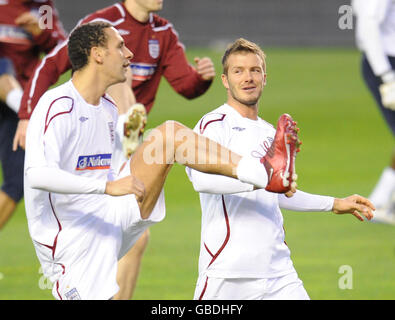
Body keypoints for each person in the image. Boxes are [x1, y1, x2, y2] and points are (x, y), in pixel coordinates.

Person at [23, 22, 307, 300]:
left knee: (169, 135)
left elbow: (105, 168)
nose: (130, 54)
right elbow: (37, 176)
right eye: (120, 47)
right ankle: (264, 173)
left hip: (107, 215)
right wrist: (107, 187)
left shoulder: (107, 108)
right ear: (98, 54)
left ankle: (264, 172)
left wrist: (132, 152)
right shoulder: (57, 106)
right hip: (71, 244)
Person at [13, 0, 215, 299]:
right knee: (119, 86)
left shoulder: (164, 32)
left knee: (138, 237)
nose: (128, 53)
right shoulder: (101, 26)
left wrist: (201, 79)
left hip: (115, 140)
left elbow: (184, 86)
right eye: (121, 48)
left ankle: (129, 124)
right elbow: (53, 63)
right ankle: (129, 118)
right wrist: (27, 113)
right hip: (97, 134)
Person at [185, 38, 375, 300]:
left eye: (255, 70)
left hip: (278, 272)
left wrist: (333, 203)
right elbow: (201, 181)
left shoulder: (269, 133)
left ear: (265, 78)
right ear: (225, 80)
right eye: (238, 71)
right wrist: (263, 178)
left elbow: (278, 191)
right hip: (227, 272)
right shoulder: (214, 125)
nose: (248, 77)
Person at [0, 0, 66, 229]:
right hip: (19, 104)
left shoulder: (43, 9)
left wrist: (41, 33)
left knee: (17, 182)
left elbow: (63, 52)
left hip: (16, 110)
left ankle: (22, 104)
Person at [352, 0, 395, 225]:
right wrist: (387, 76)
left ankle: (380, 200)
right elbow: (368, 26)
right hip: (385, 63)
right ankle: (382, 202)